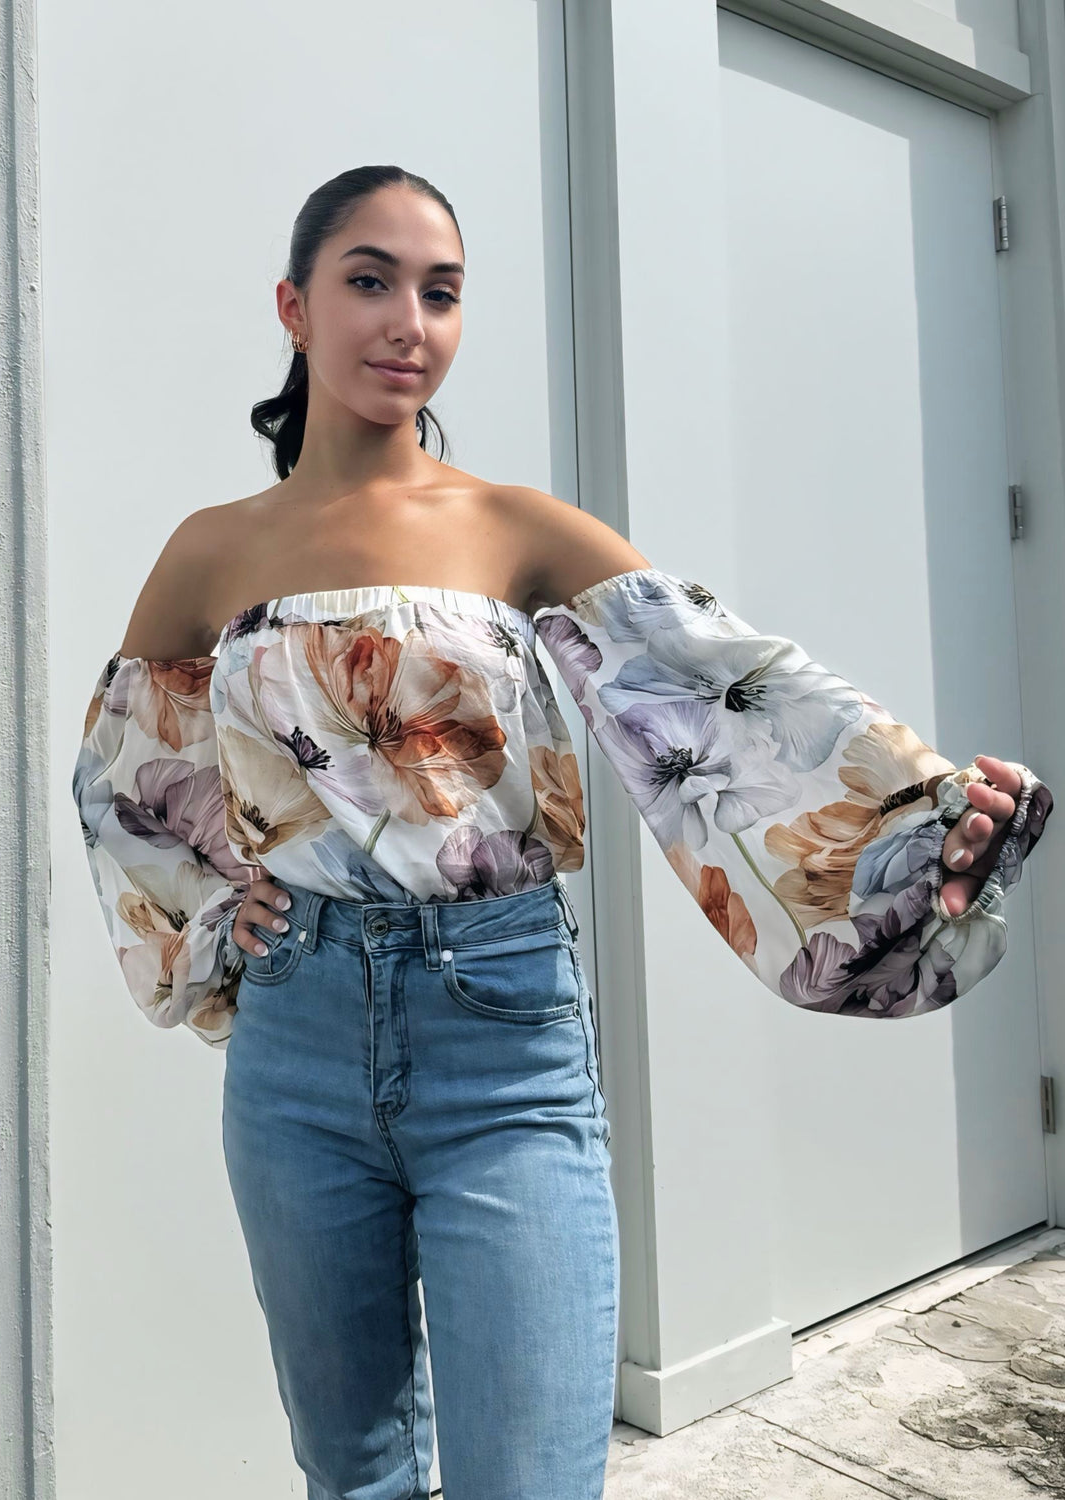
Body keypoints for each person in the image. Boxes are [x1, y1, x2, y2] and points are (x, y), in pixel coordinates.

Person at [70, 164, 1054, 1500]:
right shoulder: (213, 550)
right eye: (370, 280)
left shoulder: (512, 529)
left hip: (504, 1049)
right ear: (295, 307)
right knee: (352, 1472)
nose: (408, 318)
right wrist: (216, 913)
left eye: (442, 291)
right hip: (294, 1058)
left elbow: (728, 697)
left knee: (527, 1480)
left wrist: (921, 819)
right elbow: (128, 770)